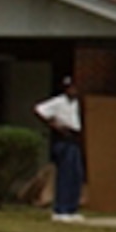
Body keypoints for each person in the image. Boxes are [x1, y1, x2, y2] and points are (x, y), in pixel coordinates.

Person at [36, 76, 85, 222]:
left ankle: (72, 208)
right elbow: (39, 110)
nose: (73, 91)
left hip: (74, 139)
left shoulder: (76, 103)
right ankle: (60, 209)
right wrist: (54, 124)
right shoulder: (59, 102)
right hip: (64, 138)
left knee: (76, 174)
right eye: (70, 88)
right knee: (65, 174)